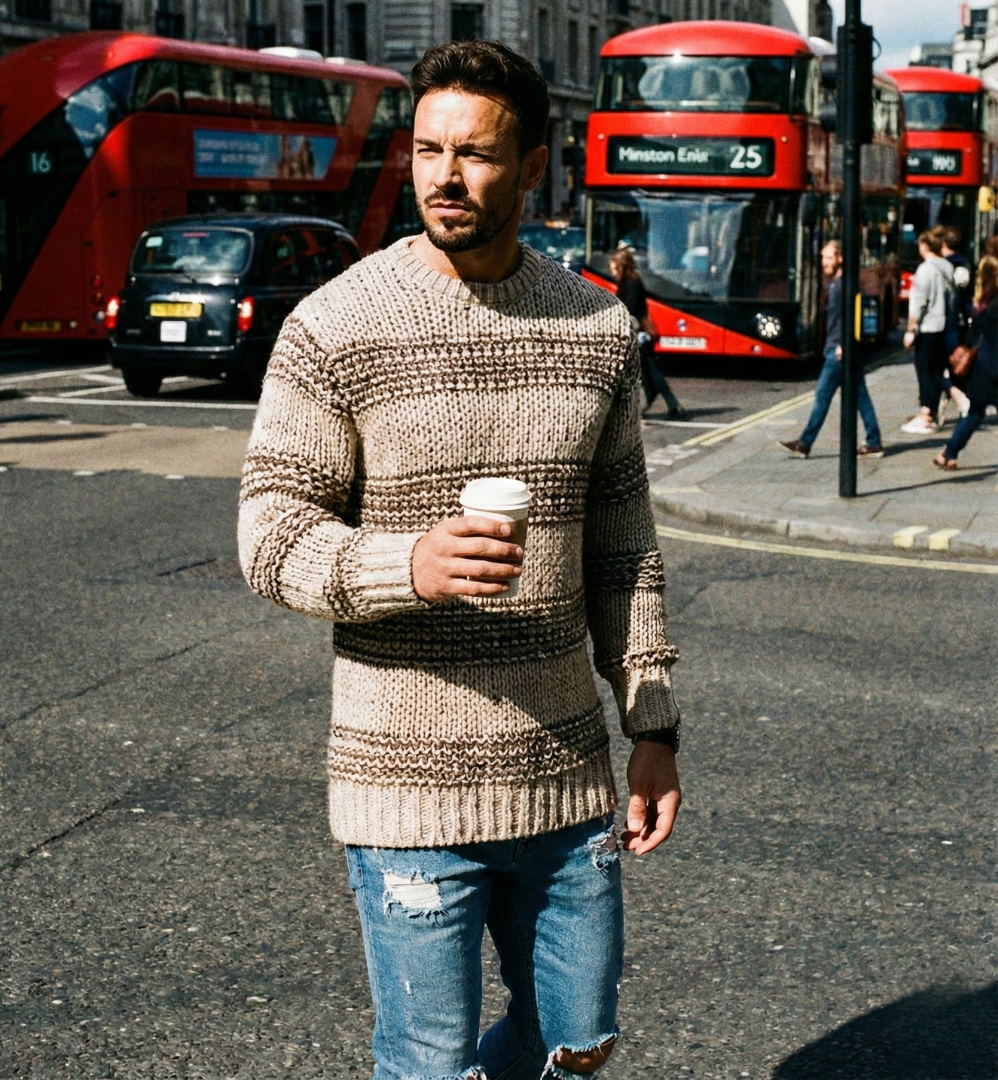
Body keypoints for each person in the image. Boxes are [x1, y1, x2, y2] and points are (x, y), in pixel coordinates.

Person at [238, 39, 682, 1080]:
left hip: (568, 785)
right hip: (406, 793)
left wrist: (653, 726)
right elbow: (269, 535)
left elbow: (625, 548)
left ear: (534, 167)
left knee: (575, 1048)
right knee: (427, 1065)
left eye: (476, 154)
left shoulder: (595, 328)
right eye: (428, 150)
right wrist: (409, 567)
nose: (443, 176)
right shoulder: (335, 325)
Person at [779, 240, 884, 459]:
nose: (824, 263)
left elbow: (850, 317)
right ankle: (874, 442)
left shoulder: (844, 284)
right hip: (840, 348)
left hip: (839, 351)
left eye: (828, 258)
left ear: (840, 258)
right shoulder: (837, 283)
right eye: (823, 258)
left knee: (822, 395)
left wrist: (843, 346)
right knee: (859, 396)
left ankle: (805, 443)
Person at [609, 246, 687, 420]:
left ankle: (673, 404)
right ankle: (654, 399)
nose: (612, 271)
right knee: (646, 370)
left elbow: (631, 308)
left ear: (621, 266)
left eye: (614, 267)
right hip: (637, 334)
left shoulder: (631, 283)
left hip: (639, 334)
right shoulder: (629, 282)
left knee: (652, 370)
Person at [935, 254, 998, 469]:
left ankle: (949, 453)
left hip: (983, 368)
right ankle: (949, 452)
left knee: (975, 412)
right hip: (993, 368)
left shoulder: (983, 301)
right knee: (974, 412)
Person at [902, 228, 956, 435]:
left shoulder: (924, 270)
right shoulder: (947, 266)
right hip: (945, 327)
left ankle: (926, 415)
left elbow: (918, 305)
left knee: (924, 370)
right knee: (936, 369)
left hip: (928, 327)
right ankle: (931, 411)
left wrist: (909, 330)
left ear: (924, 246)